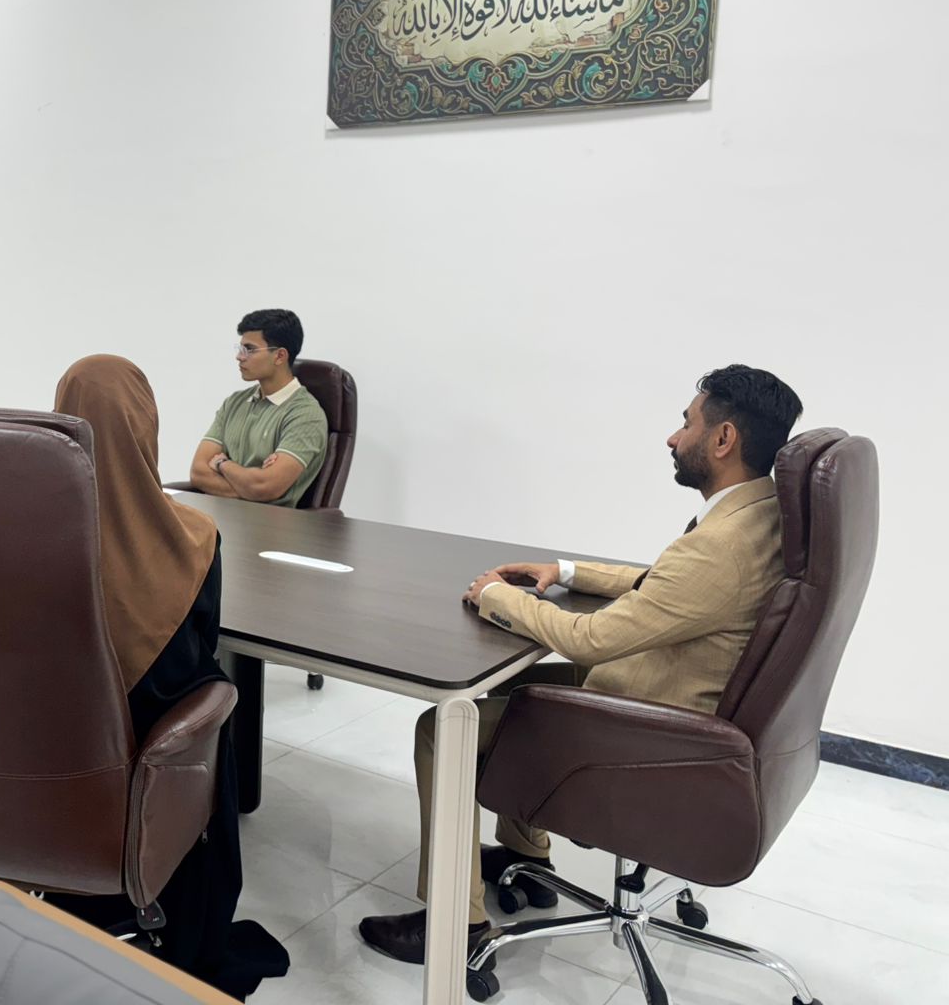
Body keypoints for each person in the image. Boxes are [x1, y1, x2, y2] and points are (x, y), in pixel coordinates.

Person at [358, 364, 805, 967]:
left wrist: (496, 596)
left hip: (654, 732)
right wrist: (566, 572)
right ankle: (528, 855)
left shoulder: (722, 545)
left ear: (724, 439)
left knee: (444, 727)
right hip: (681, 696)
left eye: (686, 423)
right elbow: (668, 585)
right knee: (514, 681)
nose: (673, 438)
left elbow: (588, 640)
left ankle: (456, 925)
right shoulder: (761, 515)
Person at [51, 355, 288, 1000]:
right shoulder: (192, 536)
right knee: (209, 704)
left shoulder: (19, 531)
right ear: (145, 425)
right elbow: (201, 646)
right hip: (150, 755)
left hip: (44, 756)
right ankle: (191, 928)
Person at [188, 308, 328, 509]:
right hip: (222, 516)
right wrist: (250, 489)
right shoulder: (234, 403)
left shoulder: (306, 415)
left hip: (269, 525)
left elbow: (265, 487)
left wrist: (222, 464)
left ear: (279, 356)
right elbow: (198, 472)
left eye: (250, 349)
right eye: (240, 348)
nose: (239, 357)